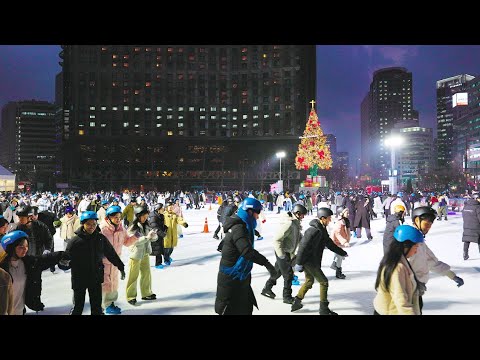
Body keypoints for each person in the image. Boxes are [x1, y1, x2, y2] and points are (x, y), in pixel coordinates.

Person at [215, 198, 277, 315]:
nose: (258, 217)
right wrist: (267, 264)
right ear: (249, 211)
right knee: (232, 310)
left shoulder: (242, 225)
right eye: (257, 212)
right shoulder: (239, 228)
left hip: (240, 276)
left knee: (246, 309)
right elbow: (247, 251)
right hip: (231, 278)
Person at [63, 211, 125, 315]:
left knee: (97, 307)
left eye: (94, 224)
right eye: (88, 224)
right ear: (83, 224)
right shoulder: (75, 241)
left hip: (95, 278)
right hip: (79, 279)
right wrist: (63, 263)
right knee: (78, 306)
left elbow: (111, 254)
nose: (91, 227)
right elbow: (66, 258)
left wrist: (120, 266)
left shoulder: (100, 239)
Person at [291, 207, 348, 315]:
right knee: (324, 282)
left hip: (312, 261)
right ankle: (323, 309)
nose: (330, 220)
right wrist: (298, 263)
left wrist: (342, 252)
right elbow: (302, 246)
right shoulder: (313, 230)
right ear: (323, 218)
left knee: (309, 281)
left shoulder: (321, 229)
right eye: (329, 218)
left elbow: (329, 243)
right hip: (308, 261)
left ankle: (296, 301)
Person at [408, 206, 464, 313]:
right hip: (406, 293)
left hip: (415, 291)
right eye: (426, 224)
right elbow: (399, 268)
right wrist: (412, 283)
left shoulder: (419, 241)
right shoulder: (409, 241)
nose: (428, 228)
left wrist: (452, 275)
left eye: (430, 225)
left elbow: (432, 262)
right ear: (416, 220)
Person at [0, 230, 66, 315]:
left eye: (26, 246)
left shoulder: (28, 263)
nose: (25, 249)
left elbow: (46, 259)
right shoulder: (2, 268)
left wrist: (63, 255)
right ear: (11, 247)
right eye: (21, 247)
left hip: (20, 311)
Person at [373, 225, 424, 315]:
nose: (416, 251)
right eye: (415, 247)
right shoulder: (396, 268)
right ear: (406, 246)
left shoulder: (394, 260)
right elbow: (401, 301)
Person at [261, 203, 306, 304]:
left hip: (287, 252)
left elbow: (298, 237)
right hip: (282, 251)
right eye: (303, 214)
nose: (304, 216)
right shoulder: (289, 223)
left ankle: (267, 289)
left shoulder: (296, 223)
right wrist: (281, 255)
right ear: (298, 213)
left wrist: (305, 243)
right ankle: (287, 297)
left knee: (277, 272)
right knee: (288, 275)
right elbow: (276, 239)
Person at [100, 205, 138, 314]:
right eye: (115, 217)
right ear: (108, 218)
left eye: (119, 217)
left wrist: (136, 236)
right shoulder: (102, 229)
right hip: (103, 262)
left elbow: (126, 242)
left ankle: (110, 303)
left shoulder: (121, 229)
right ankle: (104, 305)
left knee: (113, 283)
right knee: (104, 283)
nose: (118, 219)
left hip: (116, 262)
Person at [126, 206, 158, 305]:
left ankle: (146, 293)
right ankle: (131, 296)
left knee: (146, 274)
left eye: (146, 216)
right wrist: (147, 237)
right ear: (138, 216)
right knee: (133, 276)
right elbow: (134, 242)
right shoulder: (133, 227)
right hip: (135, 254)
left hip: (145, 253)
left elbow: (152, 239)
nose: (145, 218)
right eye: (143, 216)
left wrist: (153, 236)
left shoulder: (147, 225)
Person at [162, 201, 188, 266]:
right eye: (169, 207)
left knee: (171, 248)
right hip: (166, 234)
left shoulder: (174, 215)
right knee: (166, 248)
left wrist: (184, 223)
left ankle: (168, 257)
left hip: (173, 234)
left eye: (171, 207)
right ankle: (166, 259)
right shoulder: (163, 215)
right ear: (166, 208)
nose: (170, 208)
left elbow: (179, 219)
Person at [330, 207, 351, 279]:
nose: (348, 214)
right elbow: (337, 233)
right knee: (339, 257)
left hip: (339, 242)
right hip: (336, 242)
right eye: (346, 213)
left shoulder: (345, 221)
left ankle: (334, 266)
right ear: (341, 213)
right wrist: (344, 242)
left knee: (338, 256)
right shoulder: (339, 222)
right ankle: (338, 272)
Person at [148, 203, 168, 268]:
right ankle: (158, 264)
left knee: (159, 248)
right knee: (157, 249)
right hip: (154, 234)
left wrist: (164, 227)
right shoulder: (153, 216)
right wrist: (162, 234)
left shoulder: (160, 215)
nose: (164, 209)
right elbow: (154, 226)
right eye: (162, 208)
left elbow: (159, 224)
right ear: (158, 209)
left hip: (158, 234)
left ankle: (159, 262)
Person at [461, 193, 480, 260]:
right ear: (476, 198)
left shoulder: (466, 206)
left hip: (467, 225)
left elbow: (463, 215)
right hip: (476, 227)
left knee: (467, 240)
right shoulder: (478, 207)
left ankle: (465, 254)